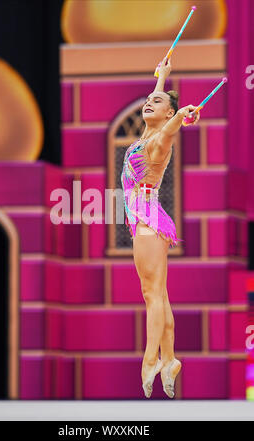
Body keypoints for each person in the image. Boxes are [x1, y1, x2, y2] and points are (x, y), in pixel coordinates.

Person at [121, 56, 200, 399]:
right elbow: (159, 120)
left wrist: (182, 116)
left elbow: (170, 128)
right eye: (148, 100)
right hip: (148, 217)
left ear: (168, 113)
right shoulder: (146, 134)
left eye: (157, 101)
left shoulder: (159, 139)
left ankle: (149, 360)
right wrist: (162, 78)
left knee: (151, 295)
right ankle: (169, 359)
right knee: (160, 293)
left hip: (147, 220)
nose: (149, 102)